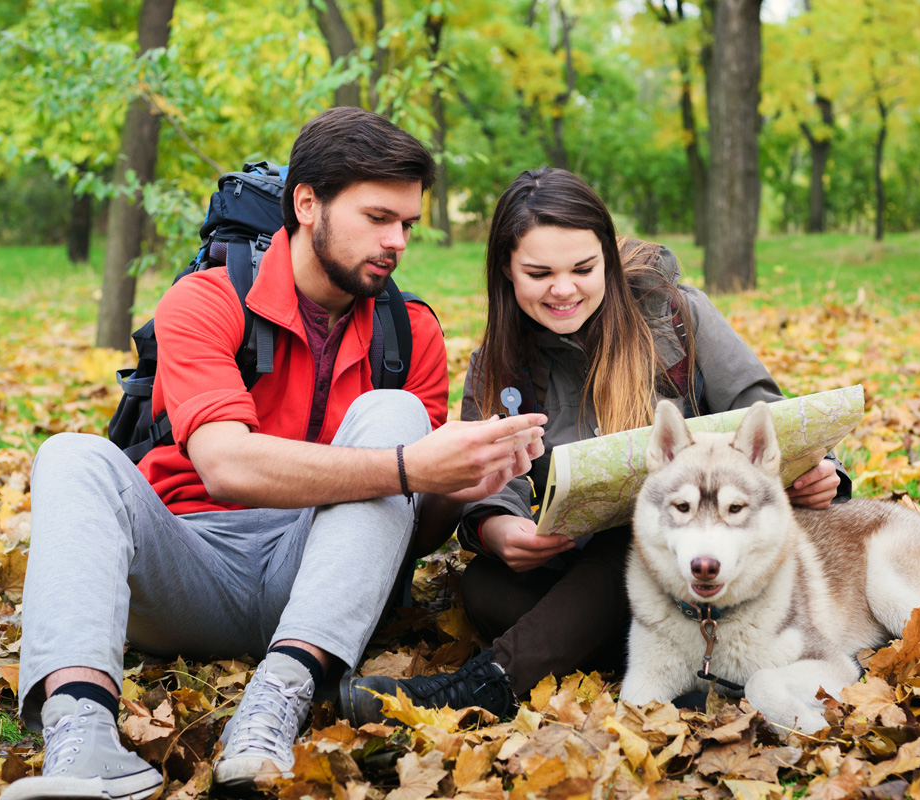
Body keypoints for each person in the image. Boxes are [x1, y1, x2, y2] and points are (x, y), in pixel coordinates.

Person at [3, 108, 546, 800]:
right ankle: (82, 740)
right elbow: (226, 466)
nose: (398, 242)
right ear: (307, 203)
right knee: (70, 456)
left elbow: (409, 524)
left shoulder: (411, 333)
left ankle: (273, 709)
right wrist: (412, 466)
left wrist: (467, 479)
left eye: (407, 224)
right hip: (186, 567)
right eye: (379, 217)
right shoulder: (203, 301)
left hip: (322, 576)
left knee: (395, 413)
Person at [339, 167, 851, 723]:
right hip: (595, 576)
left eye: (584, 268)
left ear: (607, 257)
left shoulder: (676, 317)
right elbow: (494, 486)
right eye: (539, 272)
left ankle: (481, 686)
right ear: (507, 272)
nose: (564, 289)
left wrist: (825, 472)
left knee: (630, 541)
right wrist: (498, 528)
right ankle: (694, 667)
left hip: (699, 552)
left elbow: (773, 418)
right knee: (486, 588)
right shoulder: (500, 364)